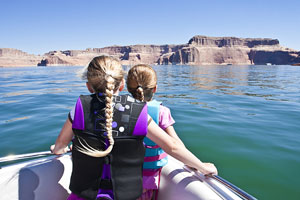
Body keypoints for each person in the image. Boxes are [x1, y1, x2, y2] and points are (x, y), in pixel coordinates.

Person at [51, 55, 217, 200]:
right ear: (121, 85)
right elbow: (172, 146)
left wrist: (59, 148)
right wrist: (202, 166)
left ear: (88, 86)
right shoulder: (138, 112)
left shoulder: (79, 108)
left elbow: (59, 147)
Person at [127, 64, 185, 200]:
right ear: (155, 88)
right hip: (147, 180)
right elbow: (175, 144)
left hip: (121, 176)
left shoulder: (119, 109)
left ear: (128, 88)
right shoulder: (162, 112)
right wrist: (198, 165)